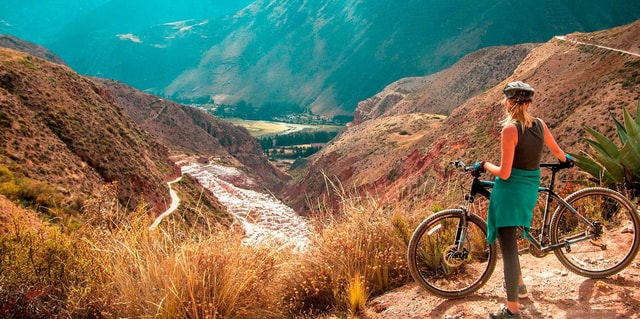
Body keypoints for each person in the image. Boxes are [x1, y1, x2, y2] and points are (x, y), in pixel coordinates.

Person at [472, 81, 574, 319]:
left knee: (508, 249)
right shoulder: (539, 124)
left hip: (509, 192)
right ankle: (520, 289)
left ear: (508, 103)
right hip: (529, 190)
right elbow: (559, 153)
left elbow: (505, 173)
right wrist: (566, 159)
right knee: (512, 246)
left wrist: (484, 165)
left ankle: (512, 310)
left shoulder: (510, 130)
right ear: (528, 103)